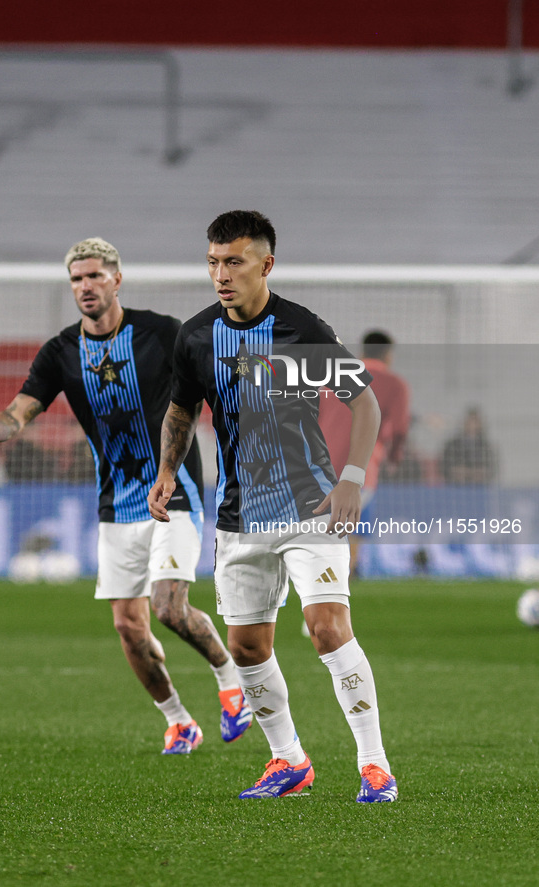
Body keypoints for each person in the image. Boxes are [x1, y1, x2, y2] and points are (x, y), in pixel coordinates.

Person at [0, 237, 252, 754]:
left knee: (167, 607)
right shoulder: (62, 351)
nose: (85, 286)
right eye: (76, 279)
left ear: (116, 279)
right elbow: (20, 412)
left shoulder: (161, 333)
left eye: (94, 276)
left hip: (173, 494)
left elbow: (212, 380)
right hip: (115, 505)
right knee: (127, 627)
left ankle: (231, 684)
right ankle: (179, 721)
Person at [148, 210, 397, 802]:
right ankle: (289, 761)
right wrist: (165, 471)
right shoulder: (198, 336)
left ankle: (374, 765)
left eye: (233, 262)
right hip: (238, 517)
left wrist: (353, 479)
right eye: (213, 263)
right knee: (246, 647)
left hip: (310, 508)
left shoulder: (302, 330)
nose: (221, 275)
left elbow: (365, 405)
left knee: (327, 630)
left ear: (266, 264)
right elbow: (181, 410)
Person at [318, 330, 411, 575]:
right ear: (388, 355)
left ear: (361, 351)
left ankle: (328, 578)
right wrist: (394, 458)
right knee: (350, 526)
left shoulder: (334, 376)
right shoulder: (395, 384)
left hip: (319, 464)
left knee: (323, 527)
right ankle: (344, 576)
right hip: (361, 467)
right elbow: (399, 430)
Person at [440, 407, 498, 485]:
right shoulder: (452, 445)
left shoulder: (486, 446)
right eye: (470, 421)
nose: (472, 425)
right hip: (455, 487)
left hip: (480, 488)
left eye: (475, 421)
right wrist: (457, 472)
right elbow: (444, 466)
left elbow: (491, 469)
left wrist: (477, 473)